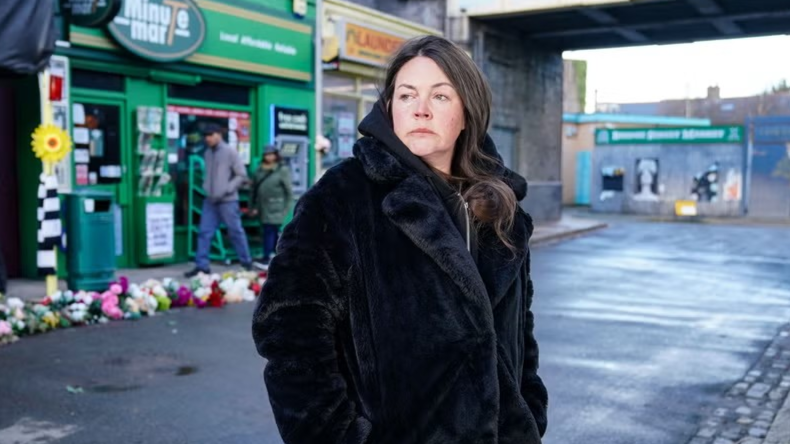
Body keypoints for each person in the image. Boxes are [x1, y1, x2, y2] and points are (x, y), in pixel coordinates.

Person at [252, 35, 548, 444]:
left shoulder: (501, 206)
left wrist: (529, 411)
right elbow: (289, 333)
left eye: (440, 96)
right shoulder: (343, 196)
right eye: (407, 95)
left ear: (467, 113)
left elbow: (520, 331)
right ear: (390, 108)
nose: (420, 109)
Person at [184, 123, 252, 277]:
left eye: (210, 135)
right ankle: (202, 266)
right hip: (210, 200)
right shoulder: (207, 153)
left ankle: (246, 262)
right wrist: (206, 187)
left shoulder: (230, 151)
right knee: (204, 232)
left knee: (235, 231)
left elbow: (241, 174)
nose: (207, 138)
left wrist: (228, 189)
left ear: (218, 135)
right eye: (205, 136)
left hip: (228, 200)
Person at [249, 145, 293, 266]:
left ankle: (267, 257)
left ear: (275, 155)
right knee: (270, 231)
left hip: (276, 207)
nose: (269, 157)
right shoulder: (259, 170)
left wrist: (285, 210)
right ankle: (276, 256)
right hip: (262, 207)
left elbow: (289, 192)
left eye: (271, 154)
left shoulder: (282, 170)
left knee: (269, 231)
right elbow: (253, 190)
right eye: (266, 154)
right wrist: (252, 206)